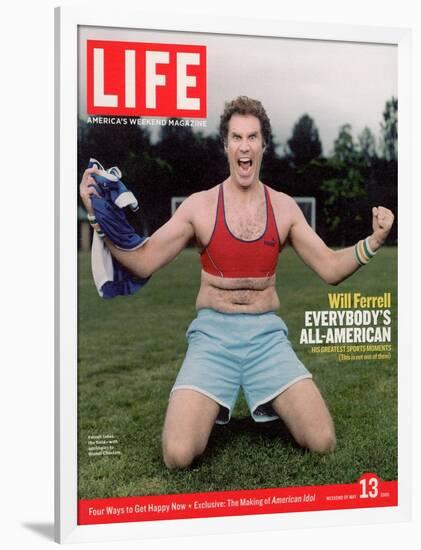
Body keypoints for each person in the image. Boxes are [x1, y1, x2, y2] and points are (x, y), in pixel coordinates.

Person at [79, 96, 394, 470]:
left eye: (252, 137)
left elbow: (329, 267)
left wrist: (373, 242)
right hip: (213, 336)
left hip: (267, 337)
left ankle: (270, 403)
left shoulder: (284, 208)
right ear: (226, 145)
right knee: (178, 455)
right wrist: (98, 215)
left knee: (322, 441)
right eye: (236, 137)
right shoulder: (198, 206)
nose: (244, 146)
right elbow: (144, 260)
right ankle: (206, 403)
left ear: (263, 145)